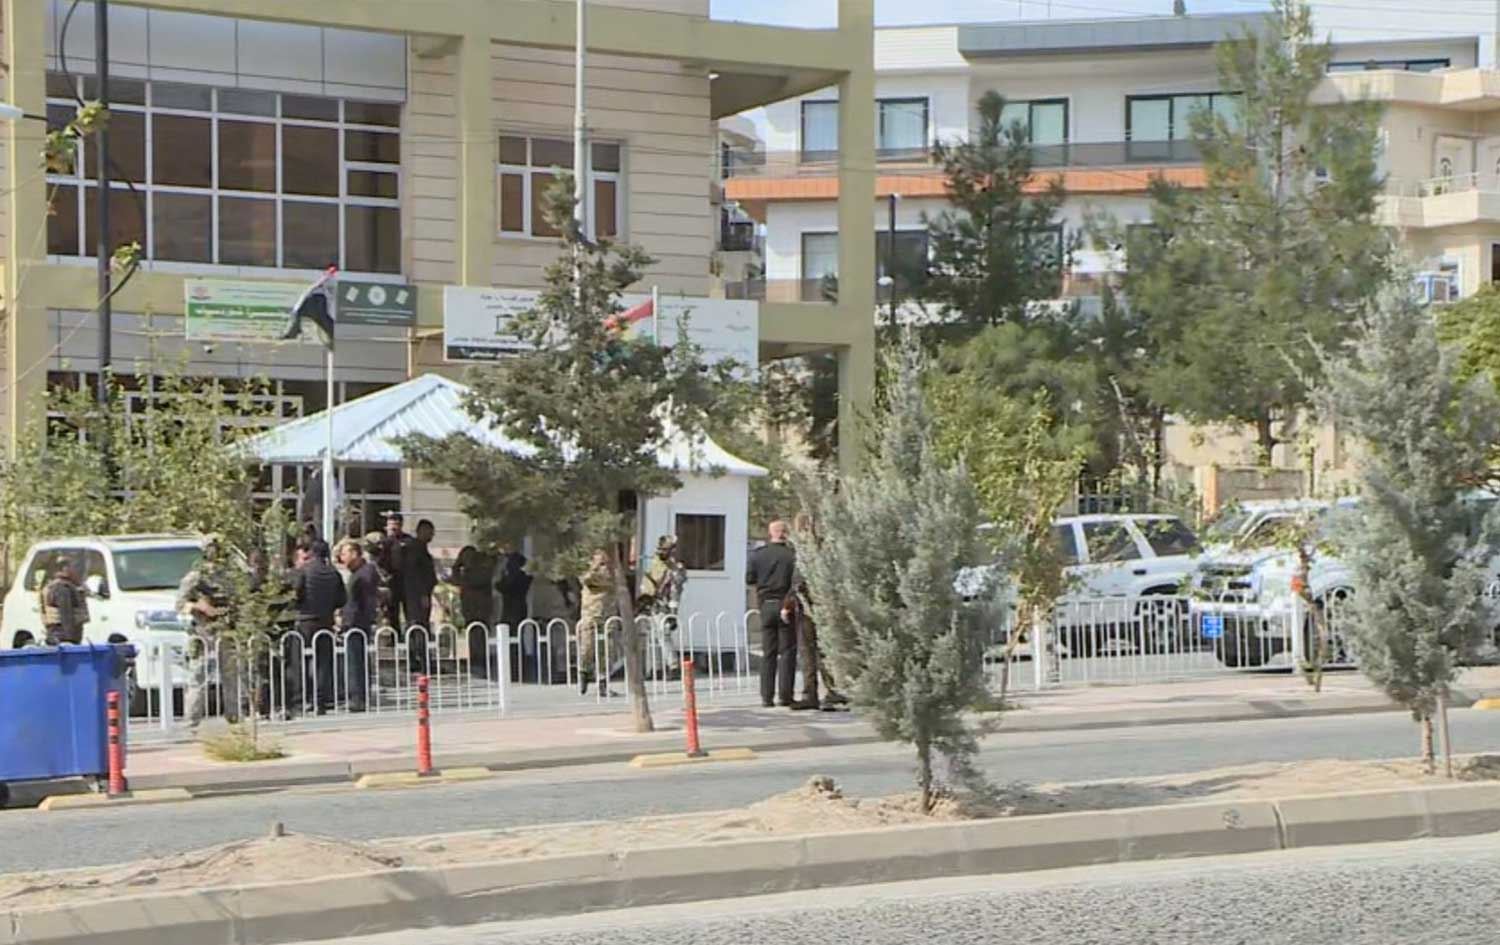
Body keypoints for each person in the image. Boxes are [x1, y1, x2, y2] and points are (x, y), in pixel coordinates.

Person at [783, 514, 847, 712]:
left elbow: (798, 581)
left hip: (808, 607)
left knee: (809, 651)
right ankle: (832, 691)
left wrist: (788, 604)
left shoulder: (806, 551)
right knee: (825, 651)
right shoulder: (828, 548)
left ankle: (812, 693)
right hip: (826, 606)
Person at [177, 539, 238, 726]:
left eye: (217, 549)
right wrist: (199, 606)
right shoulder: (195, 577)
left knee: (231, 675)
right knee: (198, 675)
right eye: (211, 549)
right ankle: (192, 719)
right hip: (202, 631)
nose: (214, 553)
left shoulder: (229, 576)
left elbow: (238, 600)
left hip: (225, 630)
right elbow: (180, 604)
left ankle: (234, 716)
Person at [290, 539, 346, 715]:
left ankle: (300, 700)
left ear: (312, 553)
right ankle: (320, 701)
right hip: (326, 622)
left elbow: (296, 595)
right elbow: (342, 599)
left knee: (299, 662)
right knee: (323, 662)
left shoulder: (304, 571)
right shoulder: (334, 573)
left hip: (305, 621)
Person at [746, 520, 798, 708]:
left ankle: (766, 697)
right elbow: (796, 582)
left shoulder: (758, 555)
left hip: (766, 605)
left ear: (770, 533)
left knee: (768, 652)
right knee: (787, 651)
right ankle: (785, 695)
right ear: (785, 533)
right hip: (785, 604)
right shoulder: (792, 555)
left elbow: (750, 578)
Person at [638, 535, 688, 676]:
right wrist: (644, 602)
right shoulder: (654, 563)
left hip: (664, 606)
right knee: (652, 638)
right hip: (651, 604)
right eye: (661, 549)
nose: (662, 552)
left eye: (666, 550)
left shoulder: (675, 569)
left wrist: (673, 614)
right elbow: (646, 583)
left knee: (663, 635)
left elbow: (675, 592)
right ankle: (655, 668)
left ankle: (673, 666)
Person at [339, 539, 379, 712]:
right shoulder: (358, 573)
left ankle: (358, 697)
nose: (342, 558)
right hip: (355, 622)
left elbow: (364, 600)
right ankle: (359, 696)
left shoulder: (365, 573)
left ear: (354, 554)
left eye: (344, 554)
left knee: (356, 661)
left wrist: (351, 620)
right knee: (356, 660)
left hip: (357, 623)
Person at [452, 542, 498, 679]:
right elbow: (456, 578)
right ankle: (475, 661)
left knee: (480, 635)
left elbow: (476, 581)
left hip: (481, 608)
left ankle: (481, 662)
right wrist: (457, 567)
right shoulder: (466, 572)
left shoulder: (482, 570)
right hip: (469, 608)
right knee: (472, 635)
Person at [577, 549, 619, 696]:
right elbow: (585, 579)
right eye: (600, 563)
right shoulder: (589, 574)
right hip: (590, 615)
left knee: (607, 651)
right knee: (587, 648)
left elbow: (614, 584)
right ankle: (584, 672)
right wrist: (595, 569)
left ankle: (603, 683)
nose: (604, 566)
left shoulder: (612, 575)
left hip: (607, 616)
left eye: (605, 563)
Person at [401, 520, 438, 675]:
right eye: (429, 531)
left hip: (417, 594)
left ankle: (419, 661)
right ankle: (421, 662)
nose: (432, 535)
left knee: (418, 627)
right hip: (416, 595)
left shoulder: (419, 548)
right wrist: (422, 593)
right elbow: (416, 574)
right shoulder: (415, 549)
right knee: (418, 627)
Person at [497, 548, 534, 679]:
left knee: (512, 639)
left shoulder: (517, 579)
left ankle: (515, 668)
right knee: (517, 638)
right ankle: (518, 667)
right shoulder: (524, 578)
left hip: (512, 610)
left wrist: (502, 574)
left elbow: (500, 586)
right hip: (518, 609)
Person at [40, 559, 89, 646]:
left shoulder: (57, 586)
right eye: (73, 567)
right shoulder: (62, 588)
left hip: (57, 635)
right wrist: (69, 639)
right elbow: (66, 615)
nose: (76, 571)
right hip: (62, 637)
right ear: (65, 569)